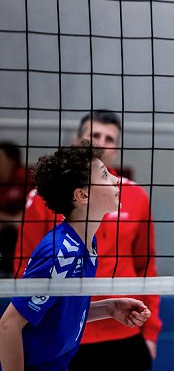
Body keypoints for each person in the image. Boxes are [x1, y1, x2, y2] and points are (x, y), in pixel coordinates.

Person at [14, 111, 161, 370]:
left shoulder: (135, 195)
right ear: (78, 141)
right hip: (67, 334)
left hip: (125, 330)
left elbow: (146, 267)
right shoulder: (42, 199)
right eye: (94, 135)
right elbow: (24, 267)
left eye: (109, 138)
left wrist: (150, 332)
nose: (101, 143)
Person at [0, 142, 28, 277]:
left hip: (24, 227)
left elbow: (36, 204)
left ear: (12, 161)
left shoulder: (24, 176)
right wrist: (13, 220)